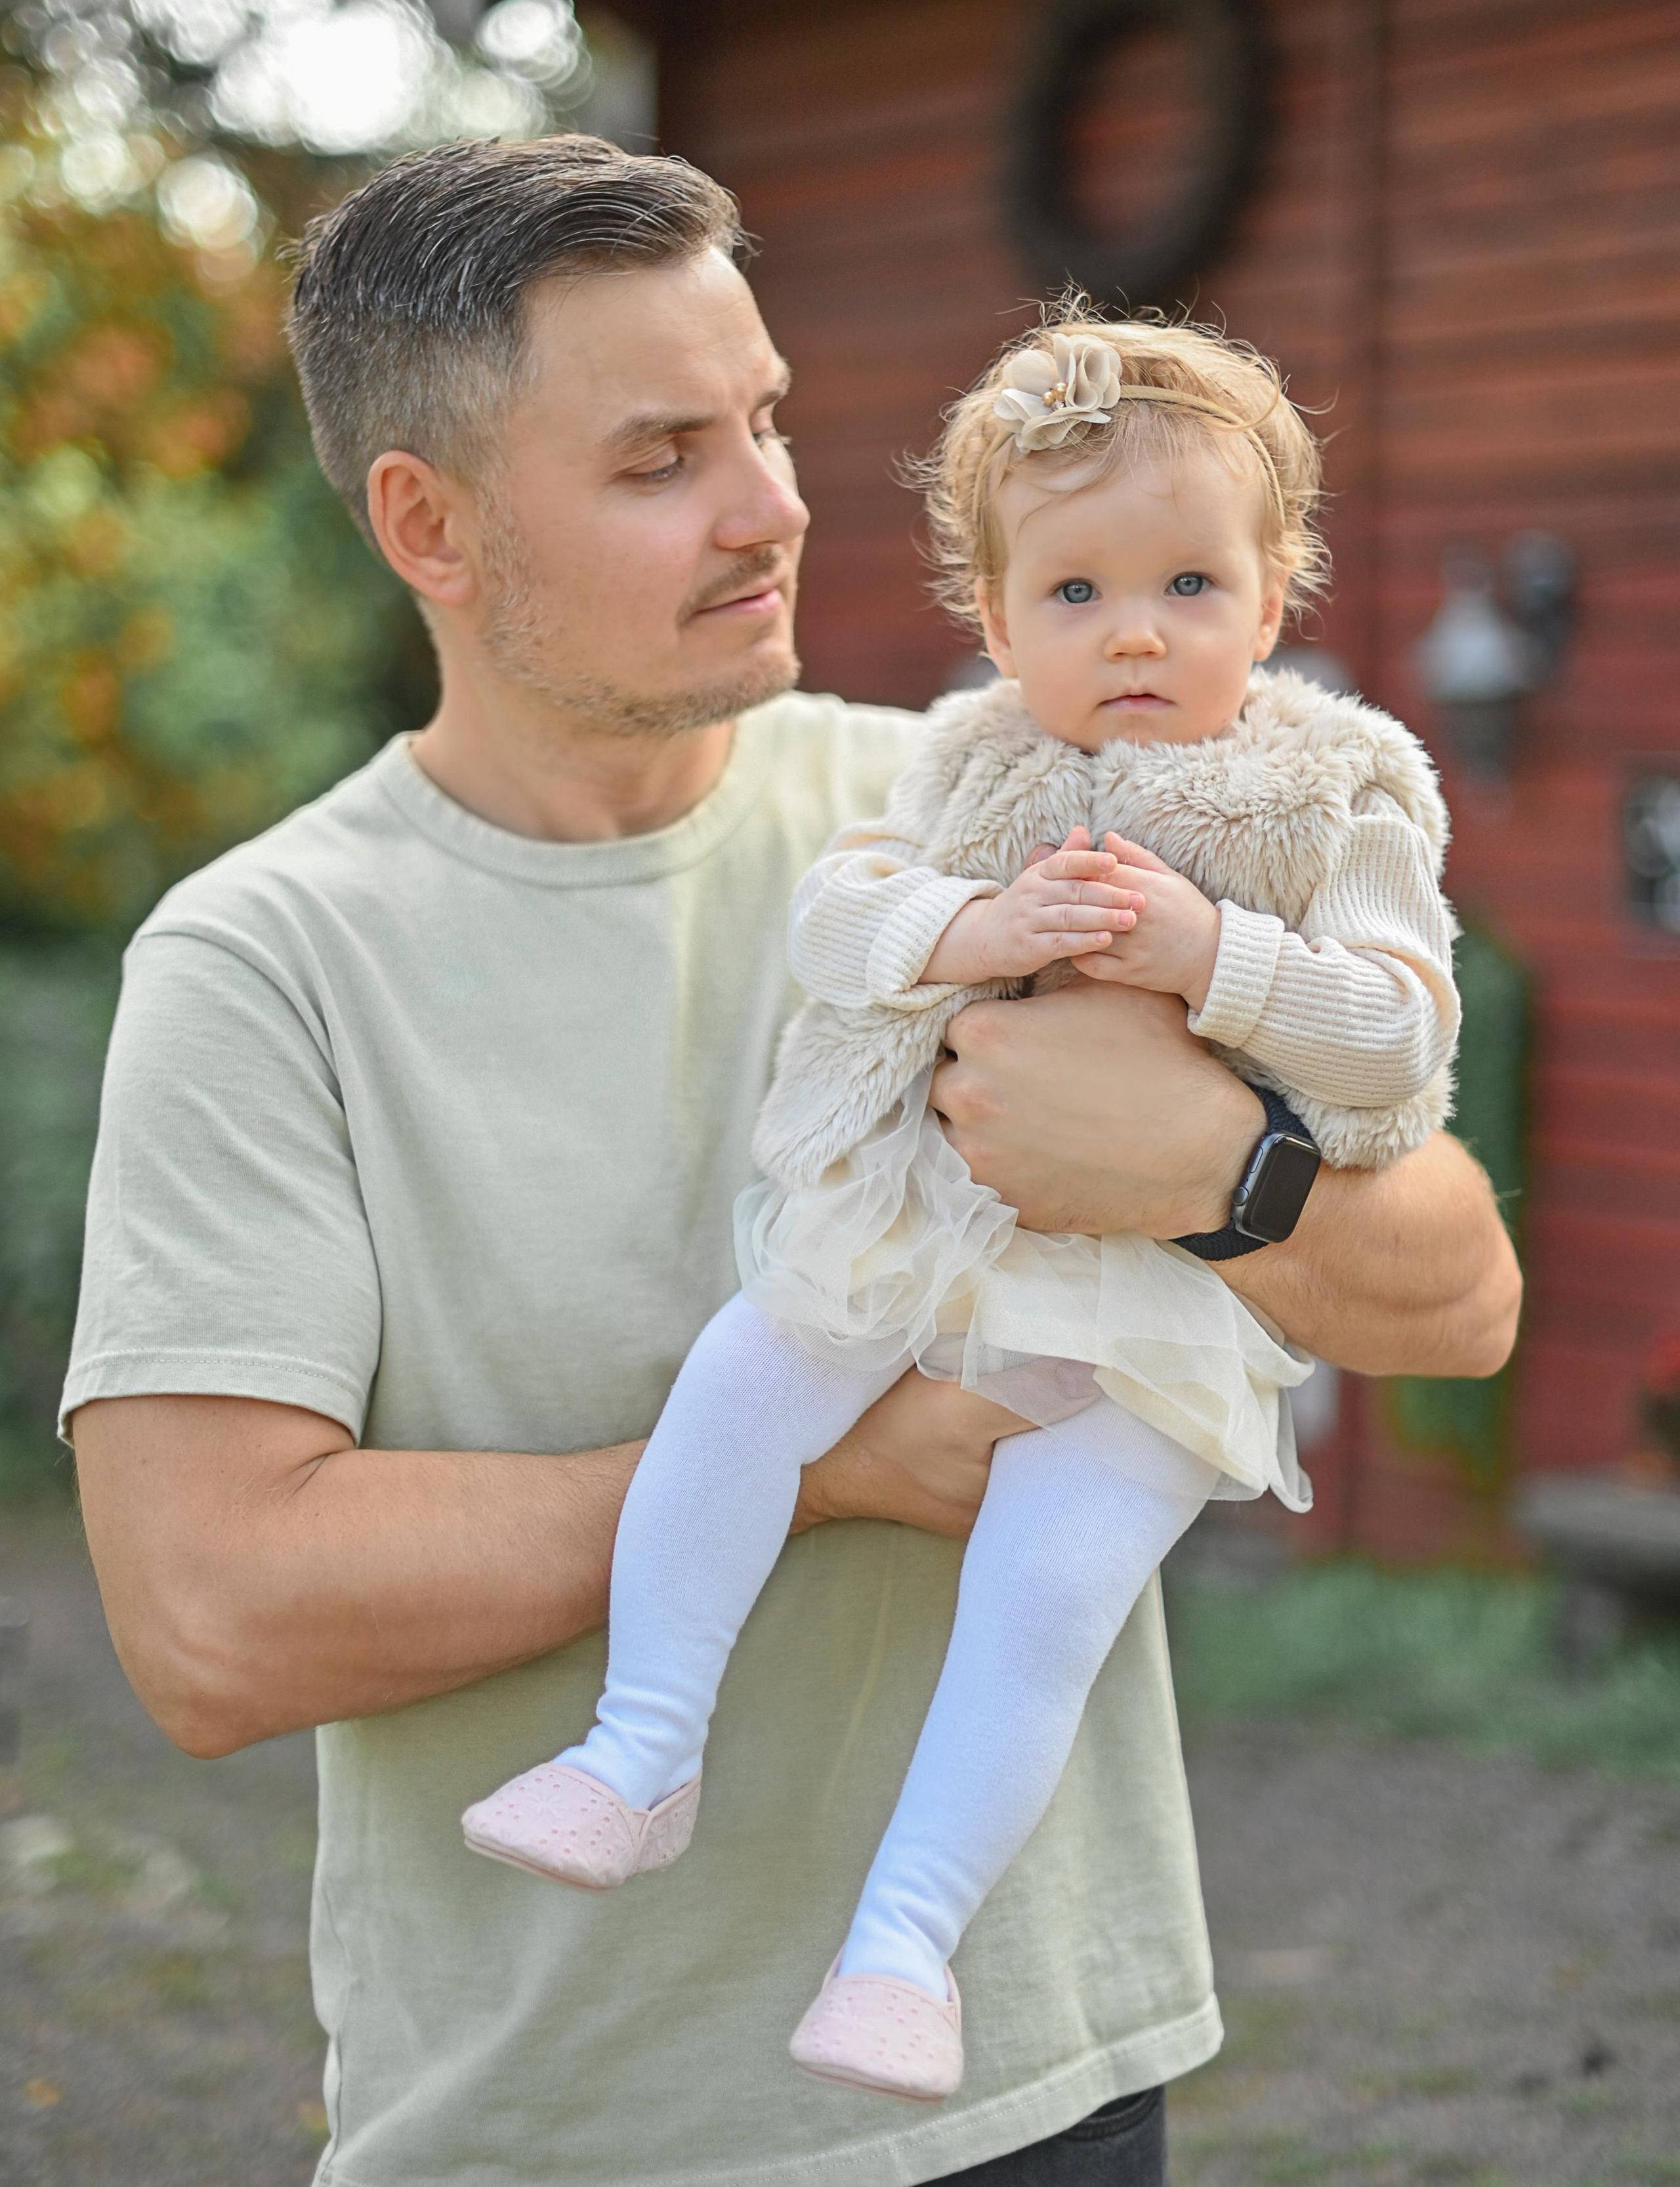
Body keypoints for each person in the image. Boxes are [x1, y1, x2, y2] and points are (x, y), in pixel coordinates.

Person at [63, 137, 1520, 2187]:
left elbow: (1460, 1297)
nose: (775, 506)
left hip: (1047, 2083)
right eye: (663, 458)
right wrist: (840, 1471)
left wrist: (1212, 1169)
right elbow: (215, 1622)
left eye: (765, 418)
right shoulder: (266, 962)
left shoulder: (987, 790)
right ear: (431, 523)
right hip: (566, 2136)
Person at [463, 314, 1462, 2104]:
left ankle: (904, 1943)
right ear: (998, 626)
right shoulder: (972, 767)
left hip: (1158, 1308)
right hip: (938, 1245)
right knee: (746, 1380)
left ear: (1273, 588)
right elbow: (837, 923)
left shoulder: (1340, 790)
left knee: (1045, 1593)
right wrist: (965, 931)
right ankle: (641, 1745)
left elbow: (1400, 1038)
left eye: (1184, 581)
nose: (1134, 629)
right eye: (1073, 595)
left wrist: (1211, 957)